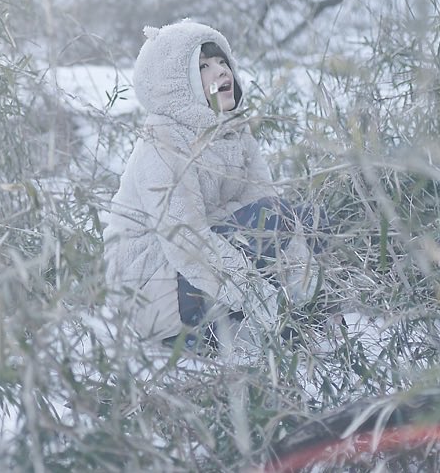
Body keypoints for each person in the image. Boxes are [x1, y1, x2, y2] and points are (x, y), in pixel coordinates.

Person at [103, 19, 322, 353]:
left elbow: (270, 209)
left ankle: (290, 318)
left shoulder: (234, 132)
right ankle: (224, 328)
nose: (222, 73)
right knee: (270, 217)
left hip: (197, 275)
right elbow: (186, 241)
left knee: (302, 217)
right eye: (203, 65)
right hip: (152, 290)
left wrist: (303, 297)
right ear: (175, 82)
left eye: (223, 62)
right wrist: (261, 301)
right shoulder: (163, 142)